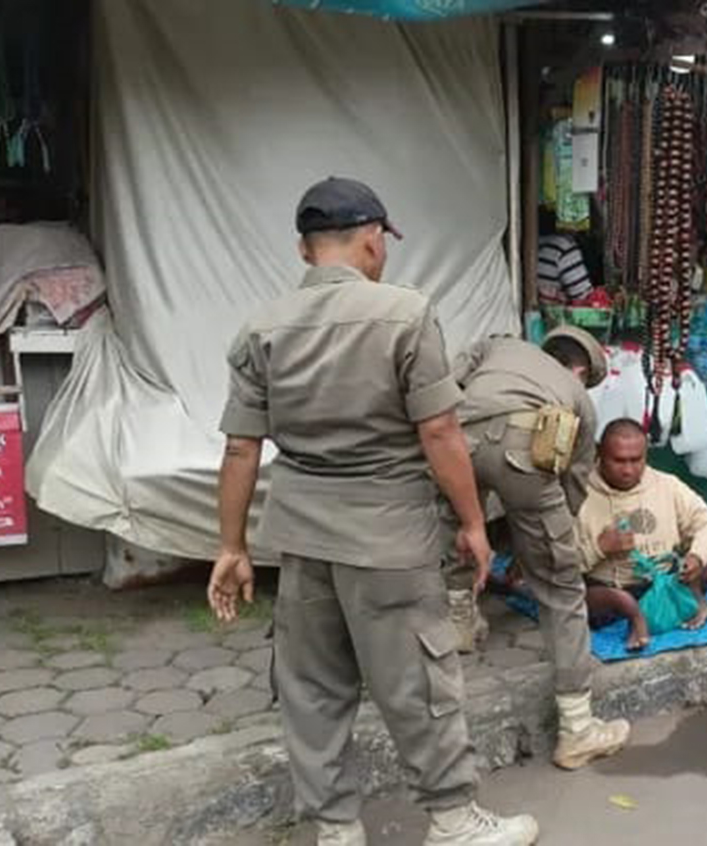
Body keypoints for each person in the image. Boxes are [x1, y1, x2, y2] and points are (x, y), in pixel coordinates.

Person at [207, 177, 537, 846]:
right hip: (389, 536)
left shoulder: (261, 328)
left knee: (312, 689)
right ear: (372, 239)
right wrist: (474, 524)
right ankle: (451, 821)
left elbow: (242, 447)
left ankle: (335, 832)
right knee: (418, 682)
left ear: (305, 249)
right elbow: (440, 433)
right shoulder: (406, 314)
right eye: (383, 239)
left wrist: (231, 547)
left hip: (302, 537)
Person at [448, 326, 631, 771]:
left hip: (454, 437)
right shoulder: (579, 400)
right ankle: (577, 728)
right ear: (581, 369)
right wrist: (543, 552)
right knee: (562, 591)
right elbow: (572, 484)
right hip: (527, 448)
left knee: (455, 529)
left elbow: (448, 379)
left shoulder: (497, 344)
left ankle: (459, 623)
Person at [577, 419, 707, 651]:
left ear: (646, 455)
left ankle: (691, 599)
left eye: (636, 460)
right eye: (618, 460)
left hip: (666, 581)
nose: (628, 470)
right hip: (609, 590)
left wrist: (697, 557)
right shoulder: (577, 493)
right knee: (569, 595)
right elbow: (555, 564)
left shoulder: (667, 485)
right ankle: (634, 612)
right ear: (599, 454)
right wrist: (600, 548)